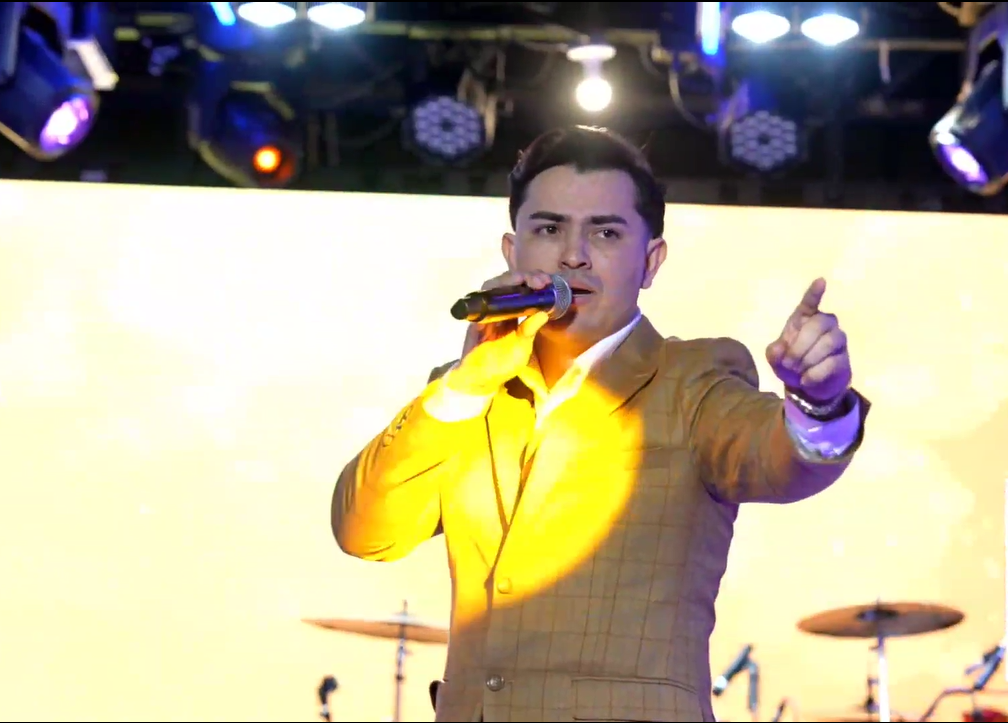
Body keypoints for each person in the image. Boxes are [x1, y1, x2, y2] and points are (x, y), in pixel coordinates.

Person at [331, 125, 870, 723]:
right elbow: (365, 530)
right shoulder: (467, 390)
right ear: (512, 252)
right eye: (548, 228)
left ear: (651, 261)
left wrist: (818, 402)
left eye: (605, 232)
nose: (572, 254)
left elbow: (777, 458)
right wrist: (466, 383)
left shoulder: (693, 378)